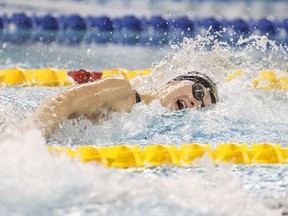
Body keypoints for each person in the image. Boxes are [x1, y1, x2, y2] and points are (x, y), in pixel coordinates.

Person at [32, 71, 218, 139]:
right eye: (198, 92)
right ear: (174, 82)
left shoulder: (149, 133)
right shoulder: (120, 90)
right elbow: (62, 102)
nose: (195, 102)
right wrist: (30, 139)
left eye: (201, 106)